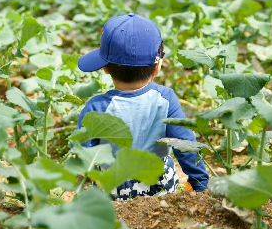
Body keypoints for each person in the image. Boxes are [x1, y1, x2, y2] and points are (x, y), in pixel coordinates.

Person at [77, 13, 209, 199]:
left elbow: (83, 157)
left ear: (105, 68)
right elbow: (186, 146)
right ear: (157, 67)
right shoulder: (166, 99)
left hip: (113, 192)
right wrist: (201, 185)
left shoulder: (96, 107)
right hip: (160, 191)